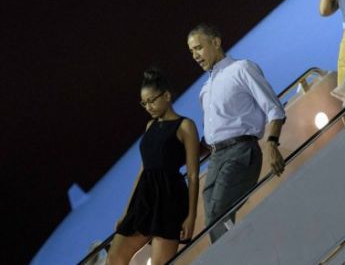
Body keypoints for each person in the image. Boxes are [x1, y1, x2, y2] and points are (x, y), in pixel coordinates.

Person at [187, 23, 286, 243]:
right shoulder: (205, 90)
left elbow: (274, 109)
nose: (195, 55)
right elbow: (215, 131)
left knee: (217, 214)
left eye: (198, 48)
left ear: (215, 42)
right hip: (216, 159)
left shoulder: (242, 69)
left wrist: (271, 143)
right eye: (191, 51)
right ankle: (249, 251)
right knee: (214, 222)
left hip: (241, 151)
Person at [107, 69, 200, 265]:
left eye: (152, 100)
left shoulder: (185, 126)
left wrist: (191, 216)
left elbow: (192, 174)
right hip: (144, 196)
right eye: (144, 103)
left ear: (166, 95)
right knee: (114, 258)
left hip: (170, 197)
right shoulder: (150, 126)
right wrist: (126, 212)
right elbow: (143, 169)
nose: (148, 106)